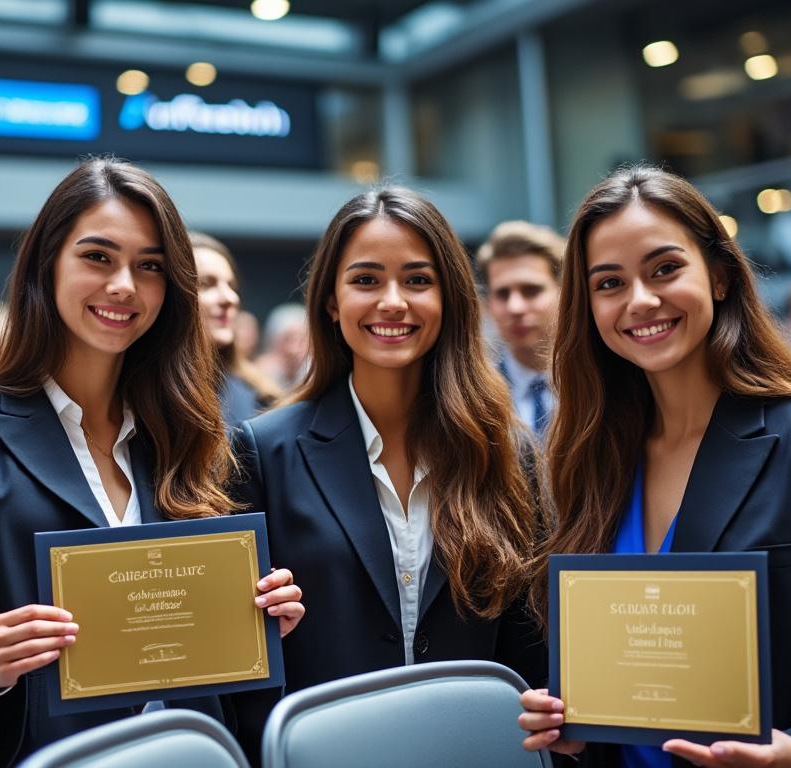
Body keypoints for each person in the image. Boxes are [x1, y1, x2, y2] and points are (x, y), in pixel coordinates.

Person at [0, 158, 304, 767]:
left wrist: (254, 622)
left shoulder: (193, 437)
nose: (124, 285)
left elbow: (216, 665)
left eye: (149, 266)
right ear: (48, 264)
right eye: (98, 257)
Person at [518, 165, 791, 766]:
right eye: (609, 283)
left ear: (720, 277)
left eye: (665, 269)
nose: (640, 300)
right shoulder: (587, 464)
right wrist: (577, 722)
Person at [228, 187, 544, 760]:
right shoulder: (262, 450)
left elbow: (530, 644)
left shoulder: (505, 452)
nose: (393, 302)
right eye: (367, 280)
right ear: (330, 301)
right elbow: (235, 666)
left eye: (418, 281)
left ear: (449, 298)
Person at [476, 220, 565, 438]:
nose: (515, 308)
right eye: (502, 294)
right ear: (489, 305)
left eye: (531, 291)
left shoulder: (601, 385)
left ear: (564, 293)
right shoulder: (476, 398)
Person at [190, 231, 281, 425]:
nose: (231, 298)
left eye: (231, 286)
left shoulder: (260, 398)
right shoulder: (137, 396)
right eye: (207, 284)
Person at [255, 302, 309, 390]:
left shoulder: (318, 374)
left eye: (301, 340)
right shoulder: (261, 374)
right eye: (287, 340)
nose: (293, 350)